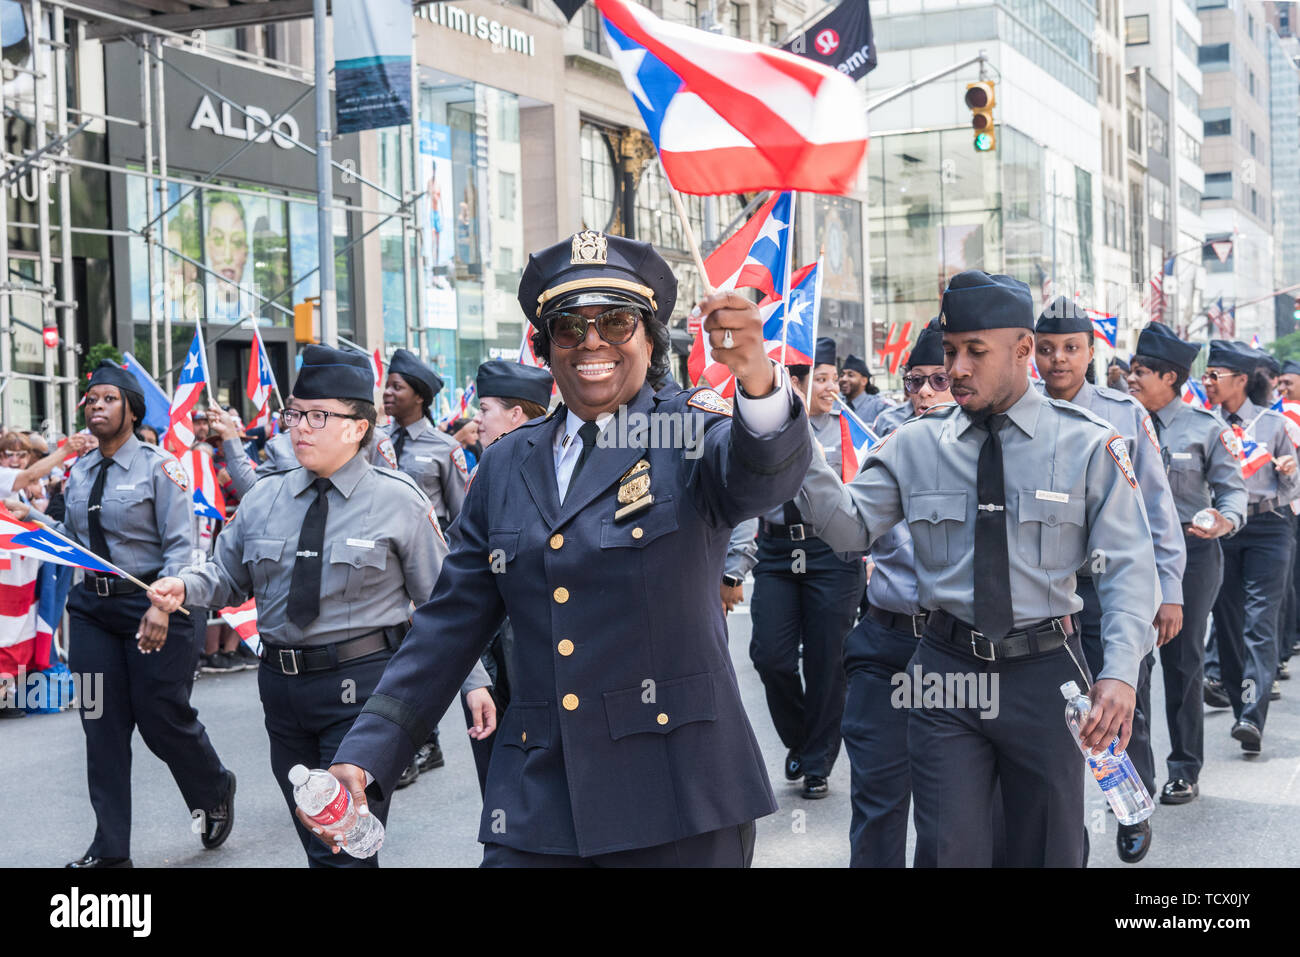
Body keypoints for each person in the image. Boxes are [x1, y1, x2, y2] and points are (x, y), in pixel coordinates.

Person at [309, 229, 811, 867]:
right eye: (570, 326)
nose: (592, 341)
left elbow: (764, 472)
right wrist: (366, 754)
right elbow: (449, 623)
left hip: (678, 794)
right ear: (544, 348)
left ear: (650, 338)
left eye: (617, 322)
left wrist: (759, 380)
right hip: (539, 792)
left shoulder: (687, 431)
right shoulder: (505, 463)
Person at [794, 270, 1159, 867]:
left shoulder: (1088, 444)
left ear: (1022, 350)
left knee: (1048, 848)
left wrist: (1119, 673)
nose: (957, 368)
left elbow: (1127, 567)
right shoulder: (917, 444)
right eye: (949, 351)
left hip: (1047, 675)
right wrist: (789, 433)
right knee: (947, 849)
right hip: (946, 672)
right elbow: (847, 528)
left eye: (974, 352)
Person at [147, 345, 494, 868]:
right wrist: (182, 587)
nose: (300, 428)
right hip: (283, 693)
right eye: (295, 414)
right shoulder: (266, 497)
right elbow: (226, 577)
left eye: (318, 416)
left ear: (357, 427)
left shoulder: (398, 500)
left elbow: (442, 605)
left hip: (366, 696)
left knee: (341, 847)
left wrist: (474, 684)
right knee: (319, 844)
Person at [17, 360, 235, 868]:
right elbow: (77, 543)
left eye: (108, 399)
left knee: (162, 719)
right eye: (91, 399)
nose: (97, 406)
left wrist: (162, 606)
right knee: (101, 723)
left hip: (155, 602)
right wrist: (32, 525)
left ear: (132, 410)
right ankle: (111, 852)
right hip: (93, 610)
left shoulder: (162, 468)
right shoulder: (80, 471)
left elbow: (184, 547)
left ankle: (214, 786)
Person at [1034, 297, 1185, 863]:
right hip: (1047, 592)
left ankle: (1132, 804)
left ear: (1091, 352)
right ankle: (1066, 824)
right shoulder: (1019, 411)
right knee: (1055, 713)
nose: (1058, 360)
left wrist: (1168, 592)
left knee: (1124, 699)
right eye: (1047, 349)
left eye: (1071, 348)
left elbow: (1159, 511)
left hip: (1111, 585)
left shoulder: (1125, 414)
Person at [840, 318, 952, 867]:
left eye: (939, 380)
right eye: (914, 381)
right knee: (879, 802)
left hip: (958, 652)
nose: (924, 394)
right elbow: (852, 526)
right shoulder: (885, 446)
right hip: (887, 642)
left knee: (948, 812)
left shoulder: (999, 452)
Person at [1126, 323, 1246, 805]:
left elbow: (1233, 488)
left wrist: (1226, 519)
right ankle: (1137, 777)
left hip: (1194, 558)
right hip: (1132, 560)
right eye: (1130, 371)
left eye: (1140, 372)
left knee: (1183, 662)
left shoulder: (1205, 427)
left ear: (1170, 377)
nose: (1130, 379)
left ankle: (1184, 768)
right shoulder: (1118, 421)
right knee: (1131, 665)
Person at [749, 336, 865, 800]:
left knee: (826, 662)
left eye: (832, 379)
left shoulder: (850, 425)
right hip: (777, 553)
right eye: (819, 379)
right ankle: (801, 737)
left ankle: (817, 761)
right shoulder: (763, 425)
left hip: (832, 552)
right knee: (770, 656)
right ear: (792, 385)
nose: (829, 387)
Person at [458, 358, 555, 794]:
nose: (477, 420)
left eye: (485, 409)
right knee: (491, 755)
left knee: (538, 759)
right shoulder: (484, 471)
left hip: (534, 638)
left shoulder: (555, 470)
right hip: (486, 638)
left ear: (516, 415)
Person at [1202, 340, 1300, 752]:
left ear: (1240, 380)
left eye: (1214, 376)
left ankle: (1249, 715)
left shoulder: (1274, 425)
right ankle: (1231, 687)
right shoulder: (1204, 423)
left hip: (1269, 527)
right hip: (1223, 531)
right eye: (1205, 375)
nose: (1207, 382)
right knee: (1227, 626)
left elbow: (1292, 486)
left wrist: (1289, 469)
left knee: (1260, 624)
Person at [840, 354, 890, 425]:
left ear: (864, 381)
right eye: (842, 375)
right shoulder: (835, 404)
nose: (843, 379)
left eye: (850, 375)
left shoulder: (879, 406)